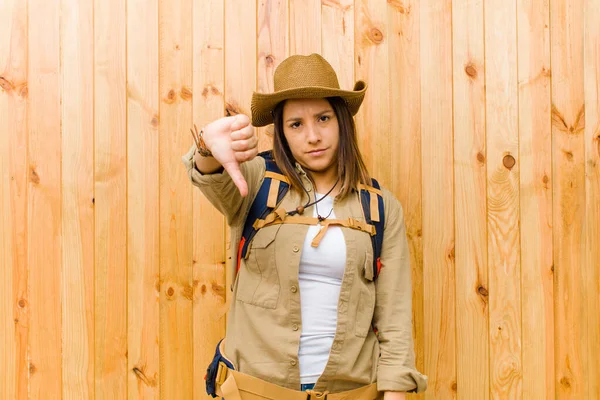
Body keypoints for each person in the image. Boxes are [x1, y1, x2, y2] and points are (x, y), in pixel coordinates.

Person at [182, 53, 427, 400]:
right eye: (296, 124)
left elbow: (395, 318)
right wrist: (206, 147)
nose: (313, 136)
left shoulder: (380, 206)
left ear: (341, 120)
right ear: (281, 131)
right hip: (255, 391)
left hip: (351, 392)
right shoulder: (255, 182)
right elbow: (210, 174)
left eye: (323, 118)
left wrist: (396, 393)